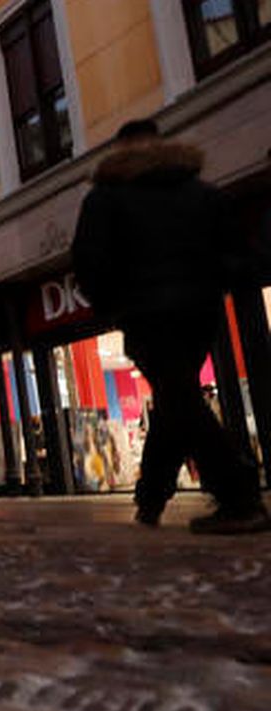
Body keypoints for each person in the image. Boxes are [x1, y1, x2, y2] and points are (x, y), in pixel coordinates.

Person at [72, 119, 270, 534]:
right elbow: (235, 254)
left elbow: (90, 263)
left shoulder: (106, 198)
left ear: (120, 150)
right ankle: (153, 495)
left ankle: (239, 496)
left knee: (179, 398)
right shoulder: (201, 192)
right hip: (199, 312)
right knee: (175, 395)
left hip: (145, 312)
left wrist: (111, 306)